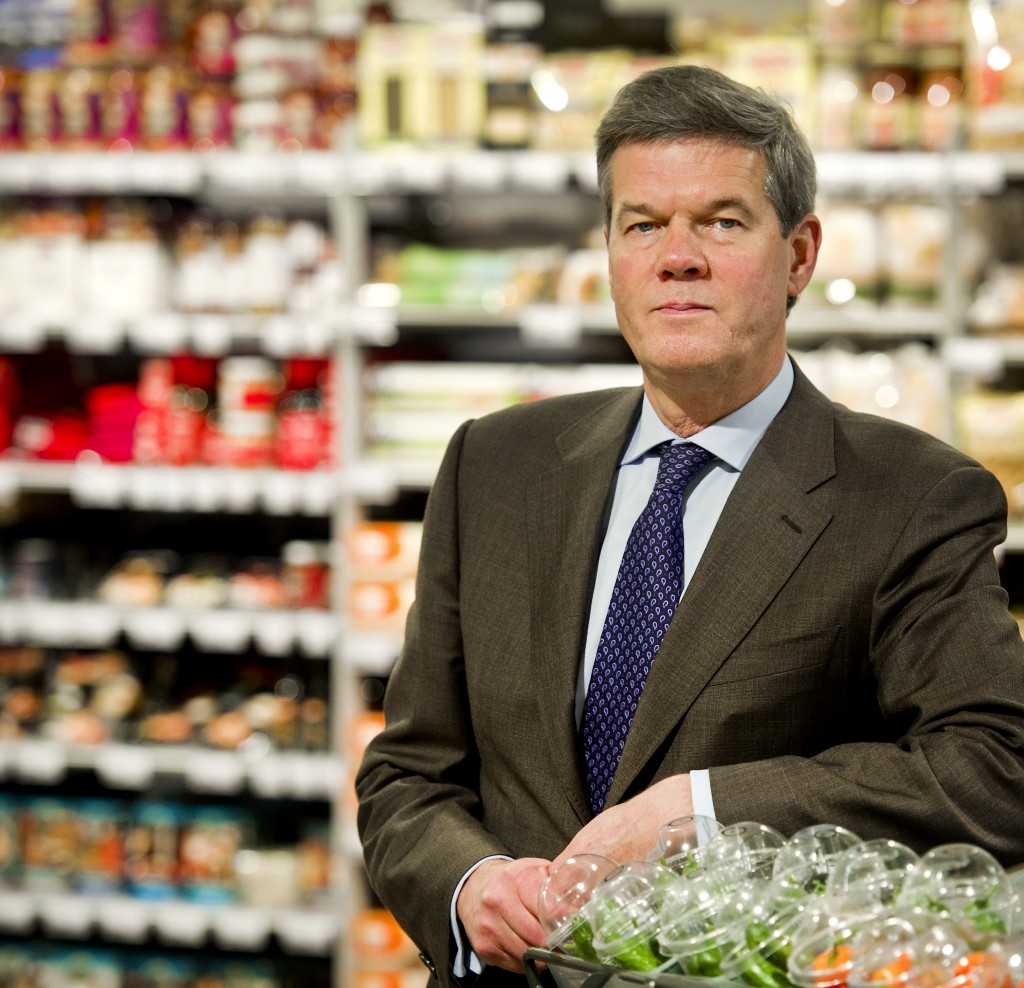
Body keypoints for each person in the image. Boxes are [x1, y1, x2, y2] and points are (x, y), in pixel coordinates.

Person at [355, 64, 1024, 988]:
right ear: (610, 253)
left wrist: (705, 809)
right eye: (643, 225)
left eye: (720, 221)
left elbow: (992, 768)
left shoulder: (911, 495)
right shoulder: (494, 466)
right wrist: (468, 883)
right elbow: (408, 772)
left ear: (799, 255)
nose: (677, 256)